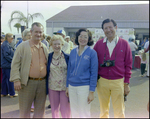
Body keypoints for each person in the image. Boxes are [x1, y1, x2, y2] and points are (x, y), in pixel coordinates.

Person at [93, 18, 132, 118]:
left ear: (116, 27)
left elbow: (128, 64)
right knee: (103, 110)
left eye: (110, 27)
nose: (108, 30)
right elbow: (94, 63)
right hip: (102, 82)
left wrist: (126, 83)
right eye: (106, 28)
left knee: (119, 110)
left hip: (118, 81)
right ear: (103, 30)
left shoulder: (124, 44)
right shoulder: (98, 44)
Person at [10, 22, 49, 118]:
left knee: (40, 111)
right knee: (25, 111)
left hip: (42, 83)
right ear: (31, 32)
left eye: (40, 32)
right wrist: (16, 80)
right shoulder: (22, 46)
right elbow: (15, 64)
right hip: (27, 83)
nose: (38, 34)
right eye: (36, 32)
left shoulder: (44, 47)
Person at [66, 28, 98, 118]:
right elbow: (69, 70)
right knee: (74, 112)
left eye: (85, 37)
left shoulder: (92, 53)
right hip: (72, 87)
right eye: (80, 36)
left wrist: (92, 91)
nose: (82, 39)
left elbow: (94, 73)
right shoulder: (72, 52)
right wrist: (67, 86)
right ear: (77, 38)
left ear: (89, 39)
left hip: (84, 87)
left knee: (84, 113)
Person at [46, 35, 71, 118]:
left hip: (65, 88)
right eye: (54, 44)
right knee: (54, 110)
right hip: (52, 87)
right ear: (51, 45)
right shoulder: (48, 57)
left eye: (58, 44)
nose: (57, 46)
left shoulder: (67, 57)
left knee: (65, 110)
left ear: (62, 44)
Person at [1, 33, 17, 98]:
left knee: (4, 79)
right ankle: (12, 93)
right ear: (8, 38)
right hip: (7, 64)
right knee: (10, 79)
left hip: (4, 64)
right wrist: (13, 60)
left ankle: (4, 92)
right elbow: (6, 55)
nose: (12, 39)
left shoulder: (5, 44)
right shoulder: (6, 45)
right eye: (12, 38)